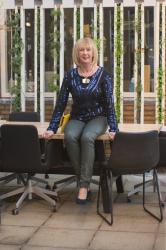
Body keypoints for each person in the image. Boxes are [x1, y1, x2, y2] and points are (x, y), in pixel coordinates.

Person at [43, 37, 118, 204]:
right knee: (69, 136)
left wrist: (113, 128)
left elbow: (109, 104)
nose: (85, 53)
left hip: (99, 117)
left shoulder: (104, 76)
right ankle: (84, 179)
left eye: (88, 50)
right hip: (77, 117)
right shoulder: (70, 76)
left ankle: (83, 186)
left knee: (87, 137)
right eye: (81, 50)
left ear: (93, 53)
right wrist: (52, 128)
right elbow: (61, 103)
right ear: (77, 53)